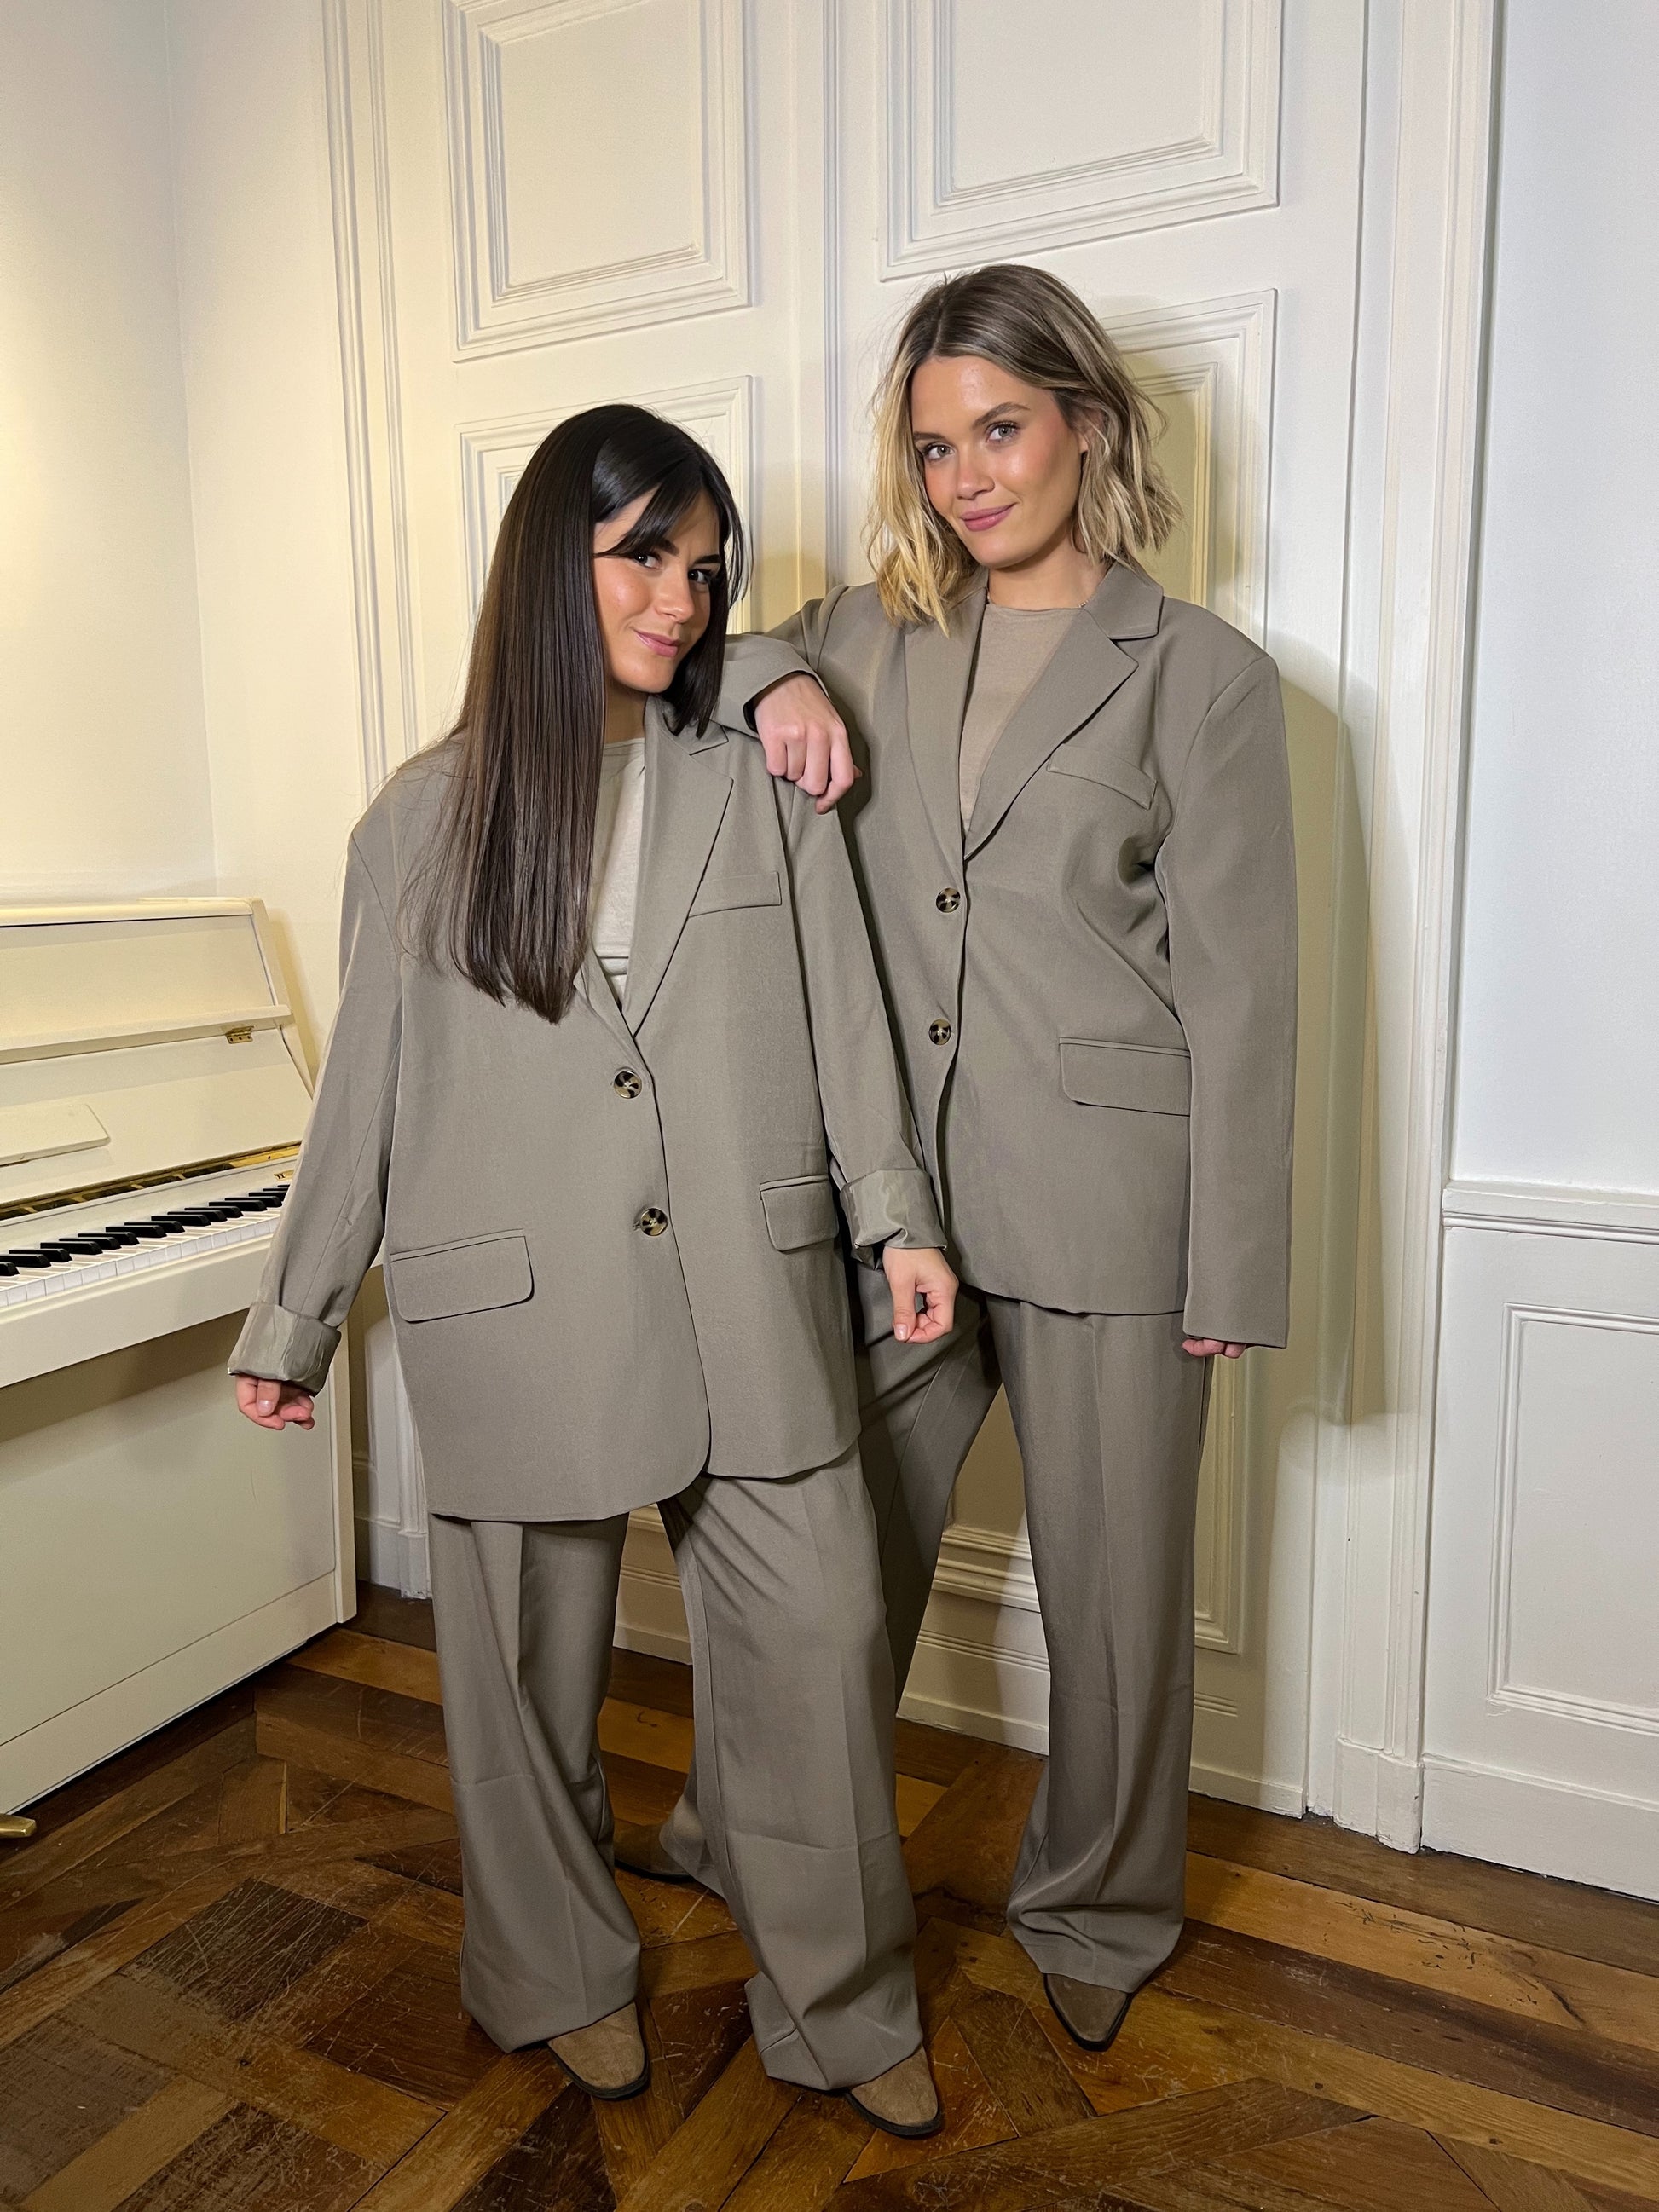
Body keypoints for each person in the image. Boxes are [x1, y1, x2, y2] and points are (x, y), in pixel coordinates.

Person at [228, 404, 958, 2137]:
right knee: (522, 1689)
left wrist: (897, 1214)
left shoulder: (759, 776)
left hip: (751, 1286)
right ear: (550, 559)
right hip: (510, 1299)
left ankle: (841, 2006)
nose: (682, 600)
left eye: (704, 569)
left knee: (816, 1651)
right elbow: (364, 1094)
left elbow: (845, 1011)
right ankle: (552, 1976)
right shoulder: (415, 823)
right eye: (643, 556)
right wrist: (296, 1315)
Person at [640, 264, 1298, 2058]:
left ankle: (1099, 1904)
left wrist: (1230, 1262)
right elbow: (700, 650)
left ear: (1084, 422)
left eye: (999, 430)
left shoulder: (1205, 679)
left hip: (1113, 1206)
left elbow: (1242, 991)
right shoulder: (866, 633)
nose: (967, 477)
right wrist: (779, 670)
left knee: (1115, 1596)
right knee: (816, 1556)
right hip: (892, 1208)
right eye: (934, 446)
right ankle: (738, 1830)